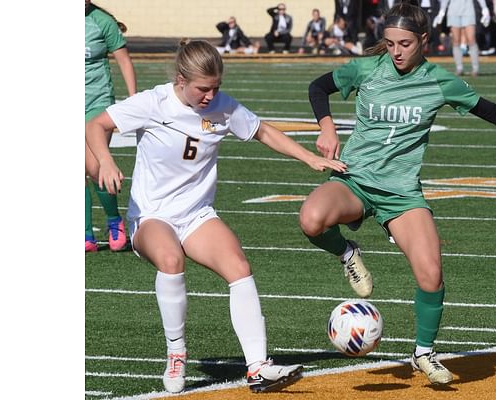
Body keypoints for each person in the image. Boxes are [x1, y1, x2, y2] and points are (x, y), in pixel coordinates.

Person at [86, 39, 346, 393]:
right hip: (152, 216)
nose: (210, 96)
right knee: (170, 259)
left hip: (196, 215)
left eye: (216, 88)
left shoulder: (222, 107)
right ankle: (176, 353)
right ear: (181, 80)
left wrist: (310, 159)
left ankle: (258, 366)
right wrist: (105, 160)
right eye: (202, 89)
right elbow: (96, 126)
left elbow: (263, 131)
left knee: (238, 268)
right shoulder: (154, 102)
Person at [300, 2, 496, 385]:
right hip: (354, 180)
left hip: (402, 193)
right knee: (310, 219)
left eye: (405, 43)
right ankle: (347, 252)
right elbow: (319, 86)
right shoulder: (367, 68)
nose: (397, 52)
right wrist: (326, 126)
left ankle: (423, 353)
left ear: (423, 40)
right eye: (389, 43)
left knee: (431, 274)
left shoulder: (441, 81)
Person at [85, 0, 137, 252]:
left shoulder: (101, 21)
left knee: (95, 166)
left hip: (97, 101)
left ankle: (114, 220)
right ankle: (86, 234)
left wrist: (135, 101)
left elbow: (124, 61)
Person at [434, 0, 490, 76]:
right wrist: (441, 11)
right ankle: (459, 68)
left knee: (471, 39)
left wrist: (484, 8)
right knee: (456, 41)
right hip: (453, 11)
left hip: (468, 10)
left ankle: (475, 68)